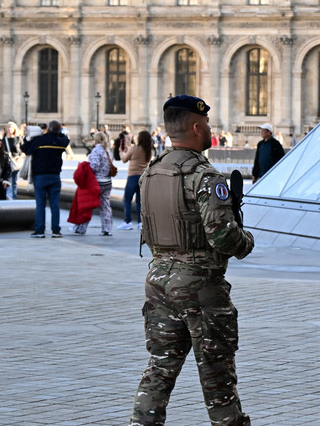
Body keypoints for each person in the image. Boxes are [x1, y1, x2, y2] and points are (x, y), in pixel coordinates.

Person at [129, 95, 254, 426]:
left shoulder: (151, 172)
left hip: (158, 280)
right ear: (197, 127)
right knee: (217, 375)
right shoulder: (205, 177)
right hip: (199, 285)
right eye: (209, 124)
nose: (211, 129)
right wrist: (246, 242)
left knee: (160, 366)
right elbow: (223, 237)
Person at [22, 120, 69, 237]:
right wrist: (56, 132)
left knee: (40, 204)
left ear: (48, 128)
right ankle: (56, 230)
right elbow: (66, 139)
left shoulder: (39, 140)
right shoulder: (60, 141)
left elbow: (25, 148)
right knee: (55, 204)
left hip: (40, 176)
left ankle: (39, 230)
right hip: (55, 175)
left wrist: (37, 133)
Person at [118, 130, 153, 230]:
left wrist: (121, 152)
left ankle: (127, 221)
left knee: (127, 199)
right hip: (143, 177)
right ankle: (140, 222)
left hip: (133, 176)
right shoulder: (148, 150)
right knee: (139, 201)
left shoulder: (134, 149)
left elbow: (124, 159)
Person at [87, 131, 116, 236]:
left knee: (87, 205)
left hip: (97, 182)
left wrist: (87, 166)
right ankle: (107, 229)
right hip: (107, 182)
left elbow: (94, 166)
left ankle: (80, 227)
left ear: (96, 140)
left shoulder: (96, 150)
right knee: (106, 206)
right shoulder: (108, 151)